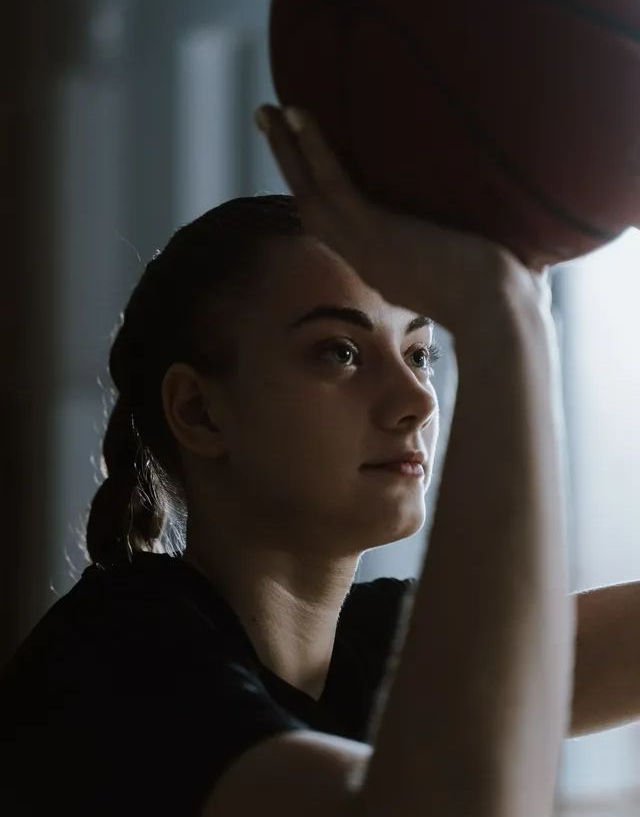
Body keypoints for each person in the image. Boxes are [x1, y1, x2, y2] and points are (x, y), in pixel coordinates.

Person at [0, 102, 573, 817]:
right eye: (340, 351)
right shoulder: (114, 663)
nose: (418, 401)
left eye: (421, 353)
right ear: (201, 411)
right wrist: (508, 325)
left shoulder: (377, 646)